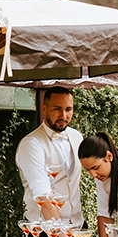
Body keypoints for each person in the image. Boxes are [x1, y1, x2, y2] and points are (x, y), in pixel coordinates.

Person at [15, 87, 84, 226]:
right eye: (57, 109)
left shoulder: (77, 137)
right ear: (44, 109)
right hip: (44, 230)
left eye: (68, 109)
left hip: (76, 226)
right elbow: (44, 197)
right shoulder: (31, 144)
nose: (63, 116)